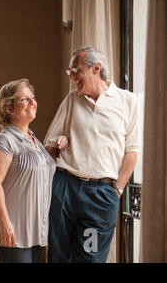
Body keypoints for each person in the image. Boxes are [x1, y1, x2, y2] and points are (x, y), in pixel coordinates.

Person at [44, 47, 141, 263]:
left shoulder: (128, 101)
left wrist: (116, 190)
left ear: (96, 69)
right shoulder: (71, 100)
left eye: (75, 71)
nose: (72, 78)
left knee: (90, 257)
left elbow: (132, 151)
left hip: (101, 195)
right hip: (65, 189)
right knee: (59, 256)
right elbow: (49, 147)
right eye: (69, 73)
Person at [0, 79, 65, 263]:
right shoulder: (3, 141)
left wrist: (61, 144)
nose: (32, 103)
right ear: (9, 108)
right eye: (24, 99)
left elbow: (39, 168)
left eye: (33, 98)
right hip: (14, 230)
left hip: (34, 230)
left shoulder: (33, 139)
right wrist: (4, 224)